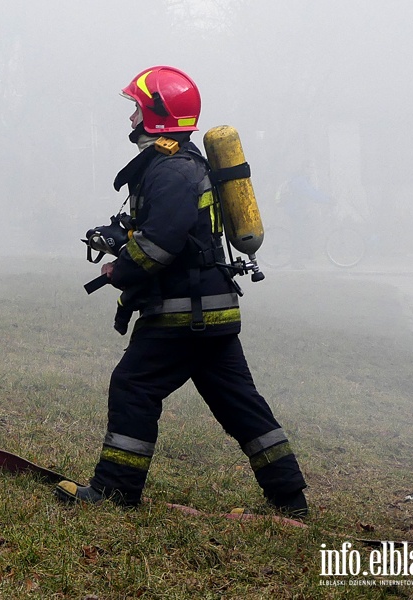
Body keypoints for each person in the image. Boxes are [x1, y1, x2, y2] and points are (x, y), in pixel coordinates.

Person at [55, 66, 308, 516]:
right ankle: (290, 499)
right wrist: (120, 235)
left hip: (182, 313)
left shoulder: (171, 169)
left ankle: (116, 490)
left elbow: (161, 243)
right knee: (241, 406)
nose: (130, 117)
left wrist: (122, 267)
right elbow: (169, 231)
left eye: (136, 108)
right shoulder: (181, 163)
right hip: (211, 311)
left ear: (157, 115)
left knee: (133, 386)